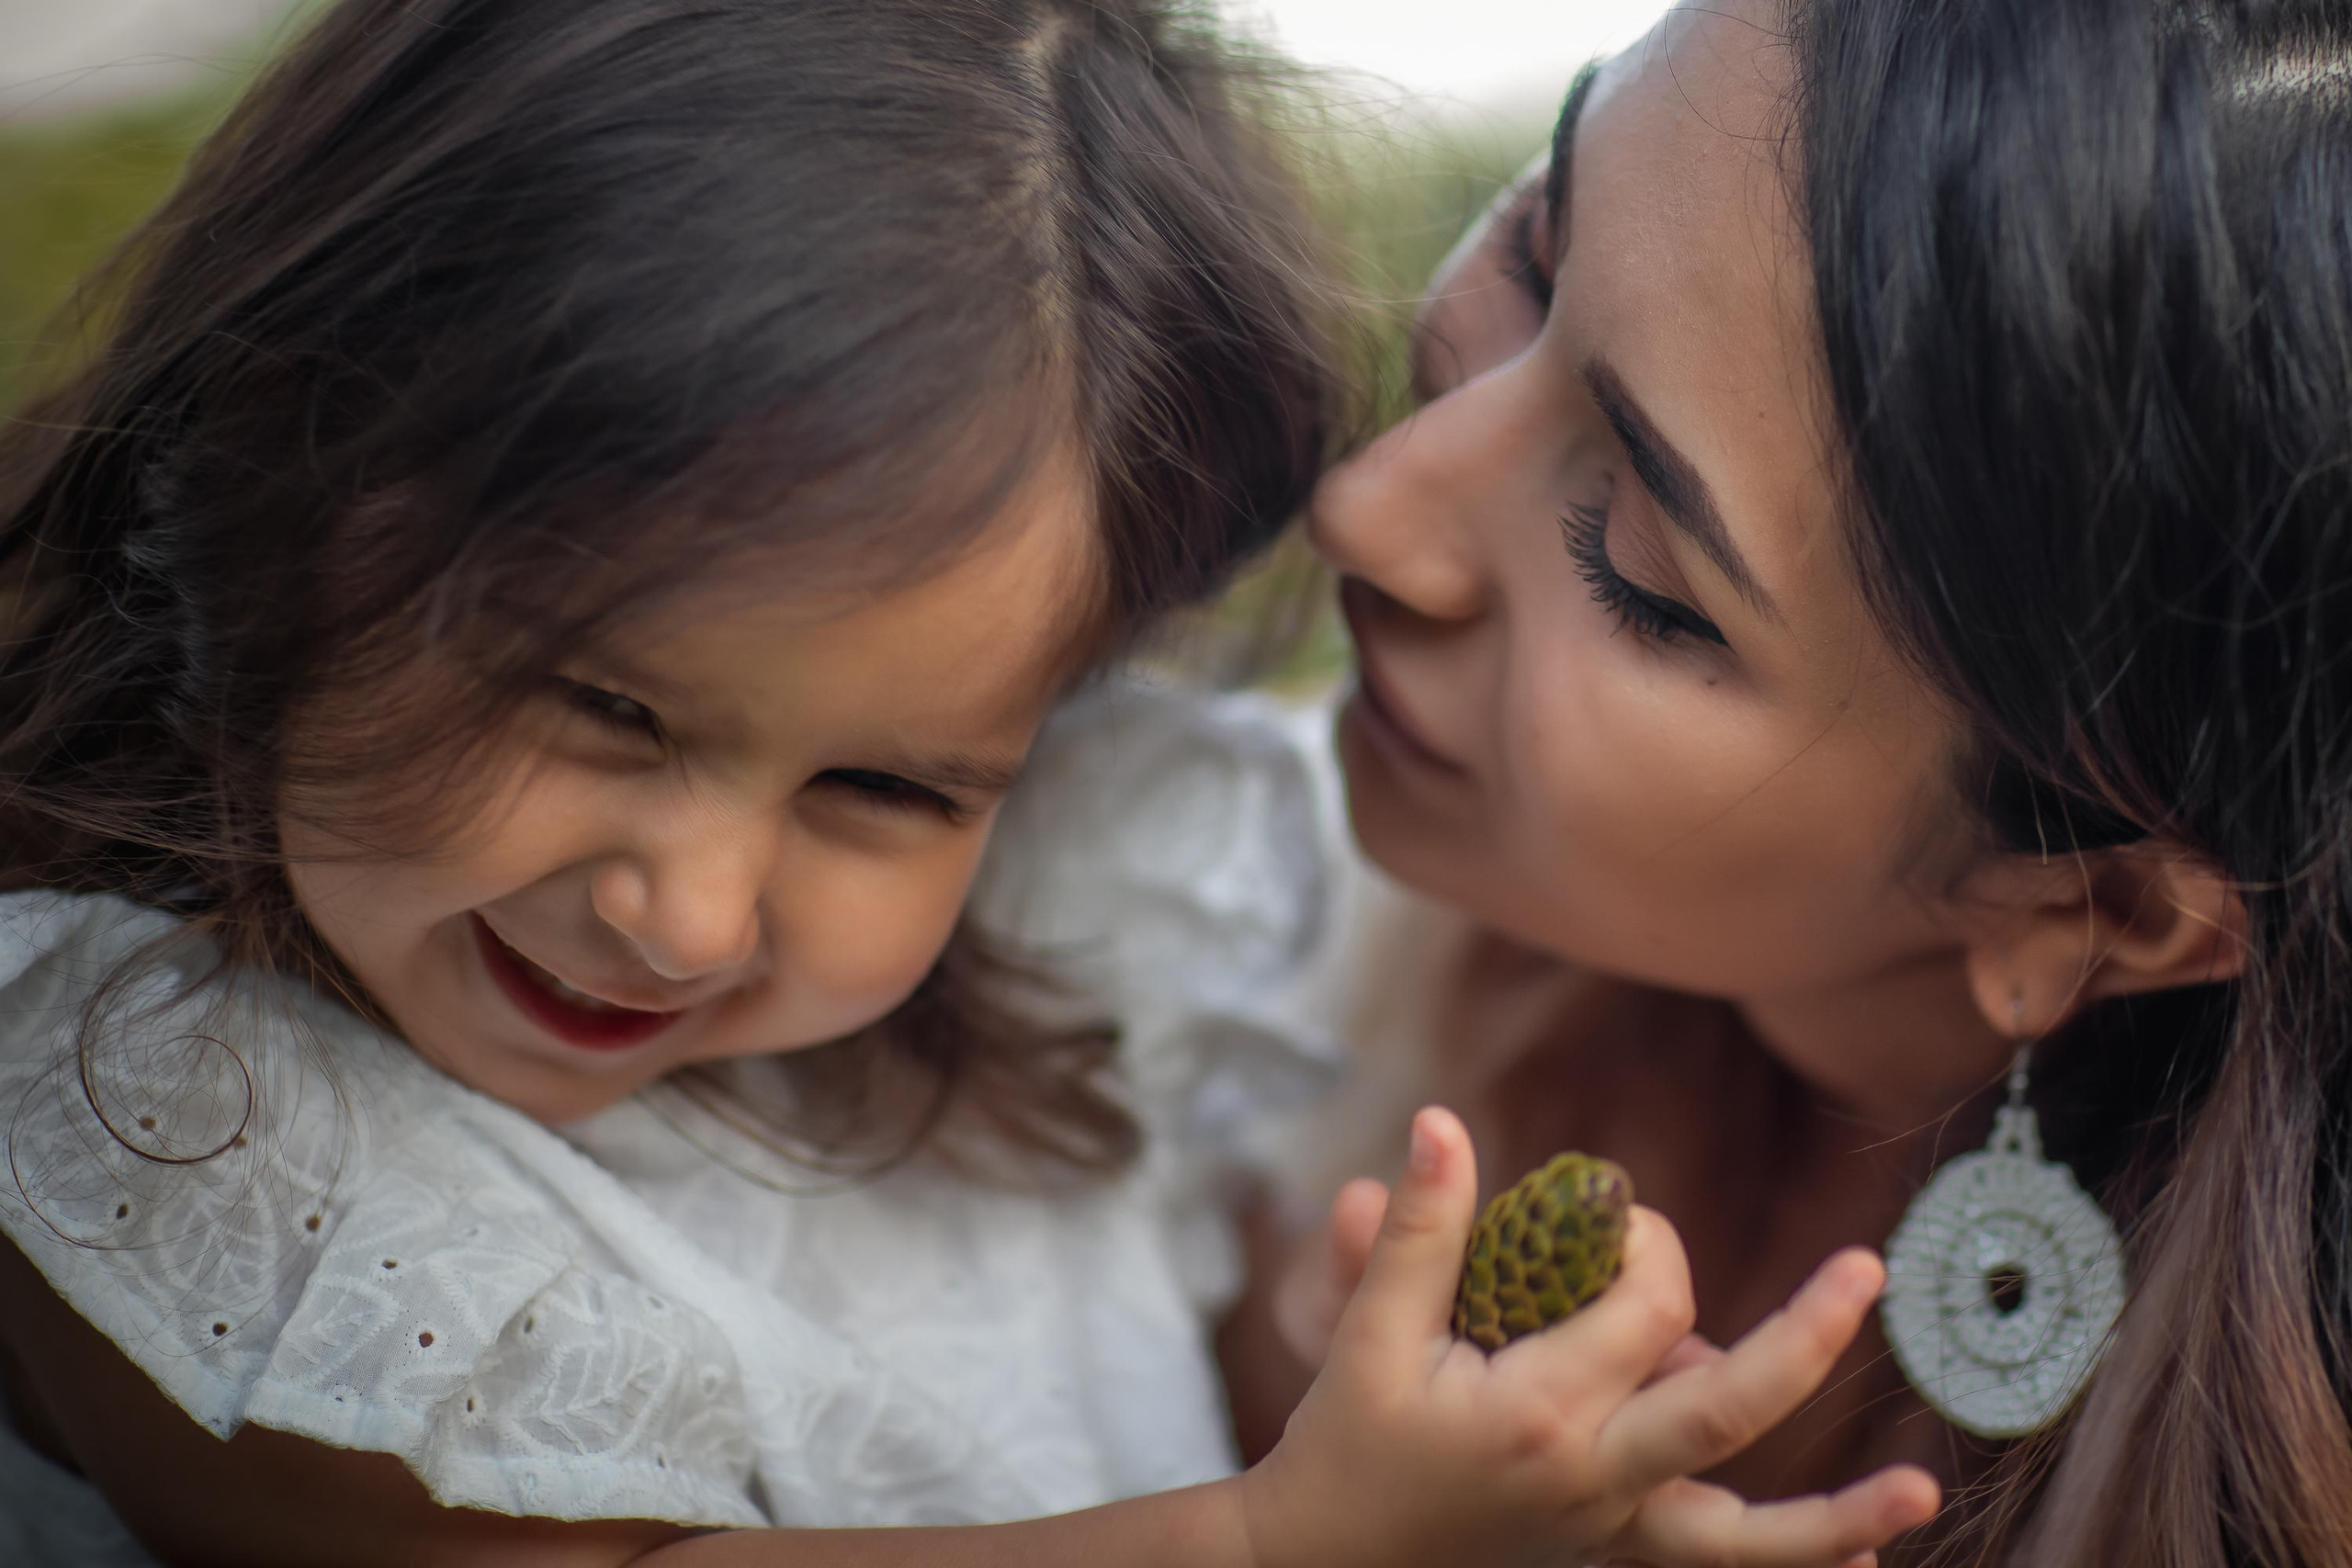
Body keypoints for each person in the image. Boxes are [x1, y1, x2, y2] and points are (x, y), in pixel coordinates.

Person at [0, 1, 1938, 1564]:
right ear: (291, 466)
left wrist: (1398, 1424)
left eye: (883, 789)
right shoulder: (165, 1113)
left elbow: (1085, 1372)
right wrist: (1283, 1539)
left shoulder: (1060, 918)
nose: (686, 908)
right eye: (603, 705)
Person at [1225, 0, 2352, 1562]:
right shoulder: (1204, 918)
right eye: (1536, 247)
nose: (1364, 507)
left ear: (2090, 907)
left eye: (1635, 573)